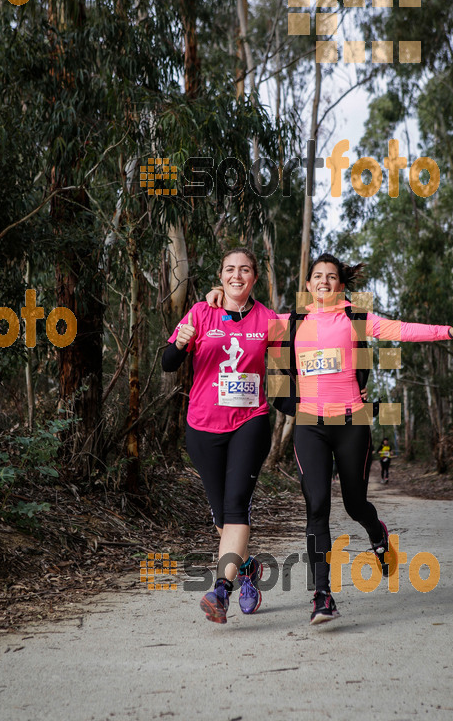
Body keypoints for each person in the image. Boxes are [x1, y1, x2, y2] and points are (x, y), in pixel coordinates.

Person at [272, 252, 453, 625]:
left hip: (352, 422)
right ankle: (322, 596)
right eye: (317, 276)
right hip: (310, 423)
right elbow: (242, 324)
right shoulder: (288, 321)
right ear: (307, 285)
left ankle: (377, 533)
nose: (323, 281)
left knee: (356, 504)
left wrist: (452, 331)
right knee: (317, 506)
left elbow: (402, 330)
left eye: (331, 277)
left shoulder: (355, 319)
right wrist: (214, 299)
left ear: (340, 285)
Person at [162, 248, 277, 624]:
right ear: (221, 275)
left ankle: (220, 591)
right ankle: (247, 570)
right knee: (221, 517)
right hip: (202, 425)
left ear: (255, 277)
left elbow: (287, 370)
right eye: (230, 269)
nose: (237, 275)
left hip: (251, 420)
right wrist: (181, 342)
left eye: (245, 270)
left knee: (235, 507)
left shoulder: (269, 320)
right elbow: (167, 363)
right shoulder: (201, 312)